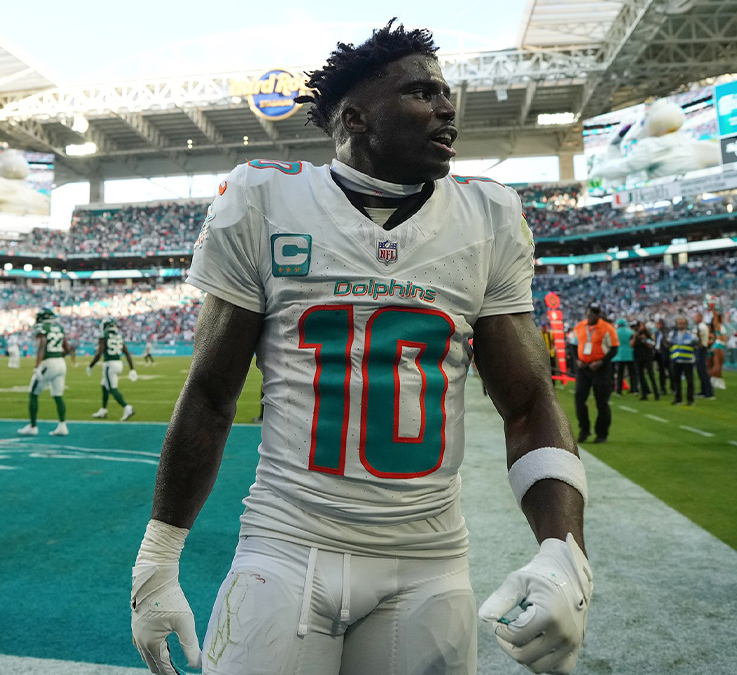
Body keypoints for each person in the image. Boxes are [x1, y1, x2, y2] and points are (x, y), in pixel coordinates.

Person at [130, 23, 591, 675]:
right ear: (354, 116)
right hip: (286, 545)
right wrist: (158, 554)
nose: (446, 106)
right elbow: (210, 392)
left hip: (428, 560)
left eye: (445, 91)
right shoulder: (264, 199)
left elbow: (527, 401)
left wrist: (562, 550)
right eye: (420, 92)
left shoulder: (487, 216)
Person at [19, 308, 74, 437]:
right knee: (58, 395)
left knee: (33, 393)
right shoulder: (59, 328)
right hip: (60, 362)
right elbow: (67, 348)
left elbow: (42, 345)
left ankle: (32, 426)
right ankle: (62, 426)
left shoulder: (42, 328)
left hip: (48, 363)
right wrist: (58, 356)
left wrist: (37, 366)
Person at [570, 303, 618, 443]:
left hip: (601, 369)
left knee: (602, 402)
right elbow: (573, 345)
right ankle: (584, 430)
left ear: (598, 315)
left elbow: (614, 348)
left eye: (594, 314)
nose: (591, 316)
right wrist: (577, 360)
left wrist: (601, 362)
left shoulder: (607, 328)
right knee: (579, 399)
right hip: (584, 369)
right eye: (590, 313)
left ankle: (602, 433)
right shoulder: (579, 326)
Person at [87, 318, 138, 421]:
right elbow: (127, 353)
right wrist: (132, 369)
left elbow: (99, 353)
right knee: (104, 385)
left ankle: (127, 408)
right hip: (119, 363)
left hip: (109, 364)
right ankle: (103, 410)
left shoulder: (104, 336)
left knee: (111, 388)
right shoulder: (119, 336)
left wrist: (91, 365)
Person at [668, 318, 697, 406]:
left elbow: (696, 344)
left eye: (683, 323)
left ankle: (690, 399)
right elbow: (668, 344)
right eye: (679, 323)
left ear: (686, 325)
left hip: (687, 360)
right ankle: (678, 398)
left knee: (689, 381)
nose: (681, 325)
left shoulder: (691, 334)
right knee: (676, 380)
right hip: (676, 360)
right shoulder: (672, 334)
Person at [632, 322, 660, 401]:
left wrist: (645, 339)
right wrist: (635, 337)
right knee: (641, 376)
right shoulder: (635, 335)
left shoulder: (647, 334)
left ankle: (656, 394)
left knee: (651, 376)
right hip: (638, 357)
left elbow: (652, 344)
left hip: (647, 357)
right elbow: (631, 345)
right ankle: (644, 394)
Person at [692, 311, 714, 400]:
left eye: (696, 317)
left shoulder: (701, 326)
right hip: (699, 349)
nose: (694, 319)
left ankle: (709, 392)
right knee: (700, 371)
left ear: (700, 317)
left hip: (701, 349)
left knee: (703, 371)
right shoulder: (700, 326)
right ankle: (704, 391)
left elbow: (697, 338)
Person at [612, 318, 635, 395]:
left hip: (619, 354)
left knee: (620, 374)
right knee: (632, 373)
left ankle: (619, 390)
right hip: (630, 354)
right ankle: (633, 389)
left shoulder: (615, 332)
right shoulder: (631, 332)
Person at [708, 310, 726, 390]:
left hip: (721, 345)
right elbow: (715, 316)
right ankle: (715, 380)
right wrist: (714, 309)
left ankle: (715, 380)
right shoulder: (717, 325)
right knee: (717, 365)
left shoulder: (721, 325)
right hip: (719, 345)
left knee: (719, 364)